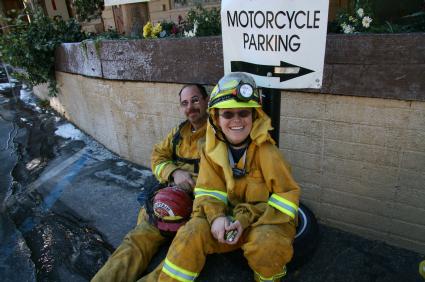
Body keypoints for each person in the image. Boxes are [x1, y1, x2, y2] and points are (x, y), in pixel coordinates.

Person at [141, 72, 301, 282]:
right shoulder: (210, 152)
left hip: (264, 221)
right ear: (216, 117)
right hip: (225, 220)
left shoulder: (268, 153)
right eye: (228, 114)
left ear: (254, 116)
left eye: (243, 113)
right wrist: (217, 218)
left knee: (268, 244)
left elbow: (284, 202)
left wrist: (243, 219)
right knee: (190, 233)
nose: (236, 120)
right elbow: (207, 192)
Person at [91, 84, 209, 282]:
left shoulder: (217, 134)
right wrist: (174, 172)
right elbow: (157, 157)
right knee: (136, 241)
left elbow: (222, 178)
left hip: (199, 207)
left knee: (181, 256)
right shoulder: (178, 134)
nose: (191, 107)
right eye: (185, 103)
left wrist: (193, 186)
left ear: (206, 101)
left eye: (195, 100)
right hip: (168, 201)